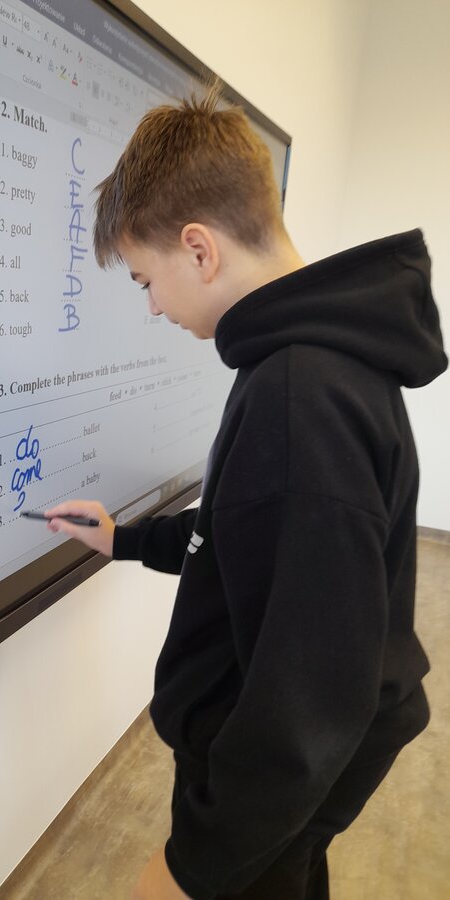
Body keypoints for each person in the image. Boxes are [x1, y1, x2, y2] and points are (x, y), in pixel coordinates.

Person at [45, 80, 447, 899]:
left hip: (263, 806)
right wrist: (125, 539)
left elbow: (306, 705)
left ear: (199, 250)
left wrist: (189, 869)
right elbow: (246, 535)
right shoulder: (310, 361)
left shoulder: (298, 398)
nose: (152, 307)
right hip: (276, 798)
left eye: (145, 280)